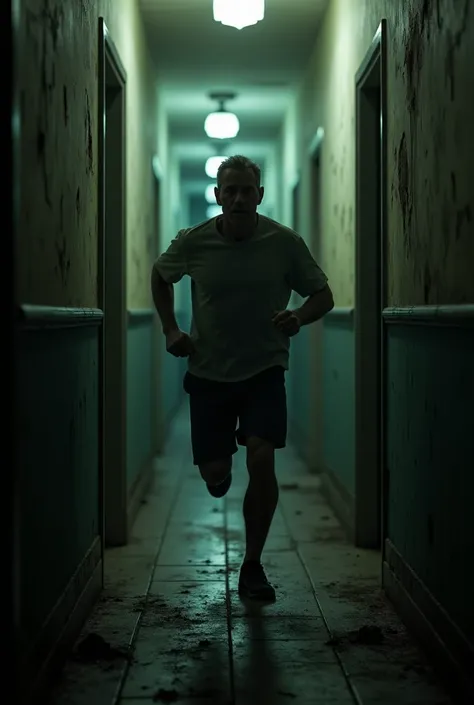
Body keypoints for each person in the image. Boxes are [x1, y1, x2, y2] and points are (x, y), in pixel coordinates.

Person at [151, 155, 334, 601]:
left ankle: (252, 565)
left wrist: (298, 317)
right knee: (217, 471)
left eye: (246, 190)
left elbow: (323, 295)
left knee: (261, 459)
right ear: (217, 196)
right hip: (209, 373)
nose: (237, 198)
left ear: (259, 195)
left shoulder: (283, 243)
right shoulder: (194, 243)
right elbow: (160, 275)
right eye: (228, 190)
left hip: (264, 370)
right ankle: (218, 473)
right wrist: (171, 328)